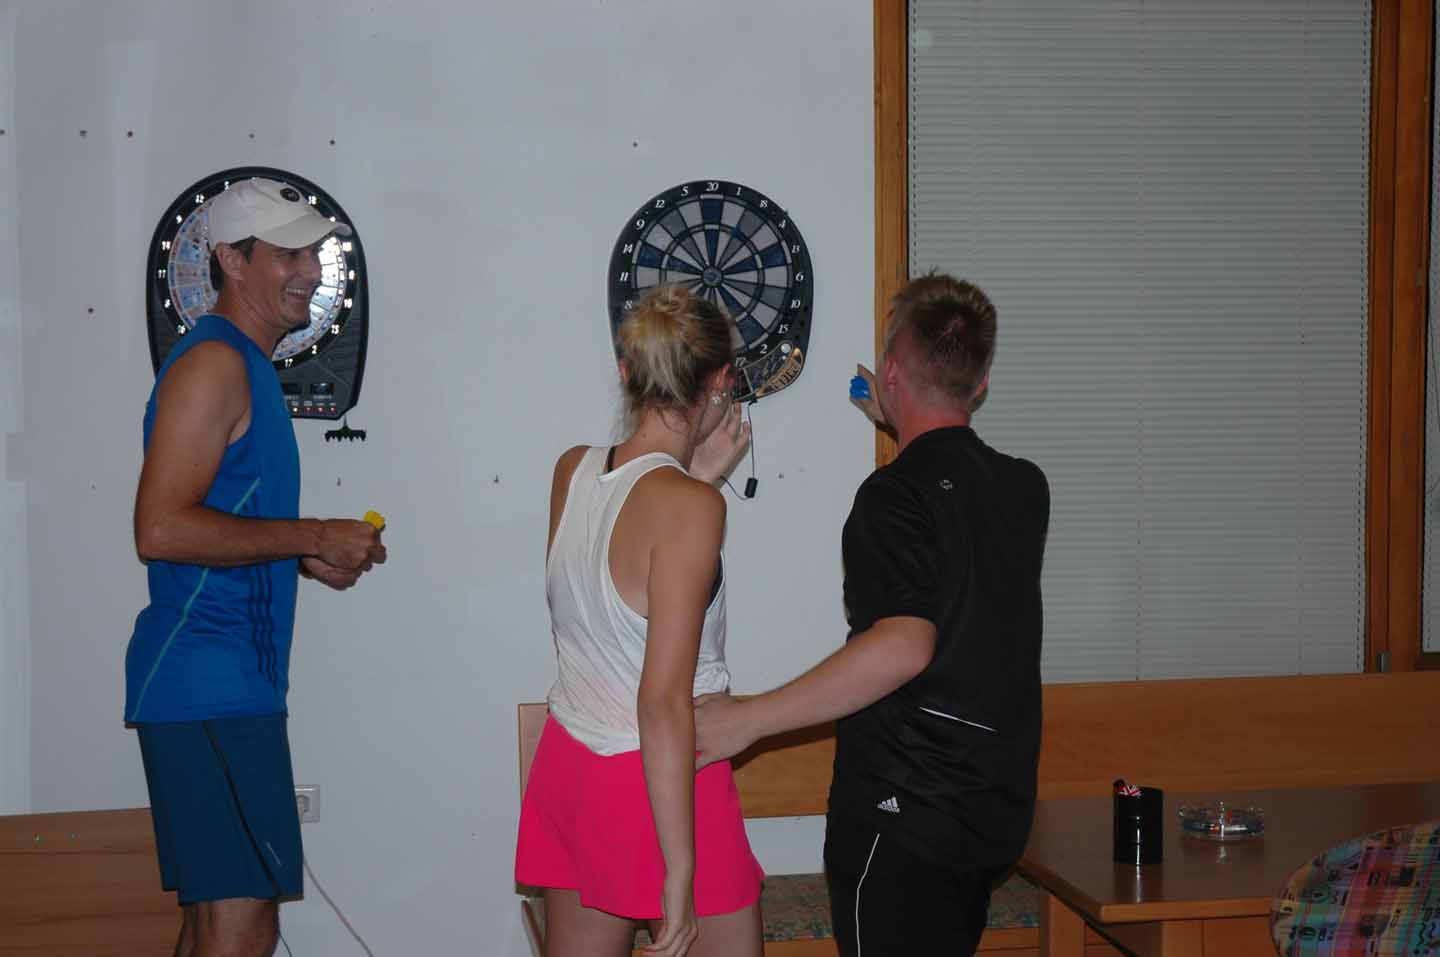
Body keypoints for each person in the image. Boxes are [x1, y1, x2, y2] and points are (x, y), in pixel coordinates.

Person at [694, 274, 1050, 957]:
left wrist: (747, 719)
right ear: (980, 385)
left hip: (905, 824)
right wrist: (900, 417)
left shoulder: (891, 498)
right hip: (990, 816)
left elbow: (903, 643)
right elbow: (956, 514)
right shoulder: (1024, 490)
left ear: (889, 372)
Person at [125, 177, 387, 957]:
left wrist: (304, 551)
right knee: (242, 926)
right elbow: (161, 528)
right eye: (288, 254)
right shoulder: (214, 364)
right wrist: (312, 531)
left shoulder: (248, 368)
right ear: (232, 261)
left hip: (225, 685)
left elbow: (221, 519)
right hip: (207, 679)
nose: (309, 270)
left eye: (313, 253)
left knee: (218, 922)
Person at [515, 285, 764, 957]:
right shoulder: (691, 508)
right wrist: (679, 871)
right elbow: (659, 701)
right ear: (720, 380)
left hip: (573, 768)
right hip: (667, 781)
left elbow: (616, 600)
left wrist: (696, 481)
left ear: (627, 372)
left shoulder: (572, 471)